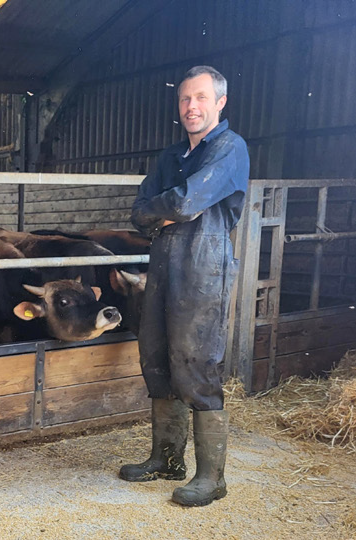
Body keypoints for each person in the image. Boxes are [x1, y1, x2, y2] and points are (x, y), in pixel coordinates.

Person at [120, 65, 250, 507]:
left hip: (204, 264)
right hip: (164, 263)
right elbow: (138, 213)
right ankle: (166, 458)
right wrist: (167, 210)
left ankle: (212, 478)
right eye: (184, 99)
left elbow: (186, 202)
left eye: (200, 98)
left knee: (196, 363)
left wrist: (166, 209)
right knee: (155, 357)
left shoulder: (231, 149)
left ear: (220, 102)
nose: (191, 107)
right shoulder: (171, 156)